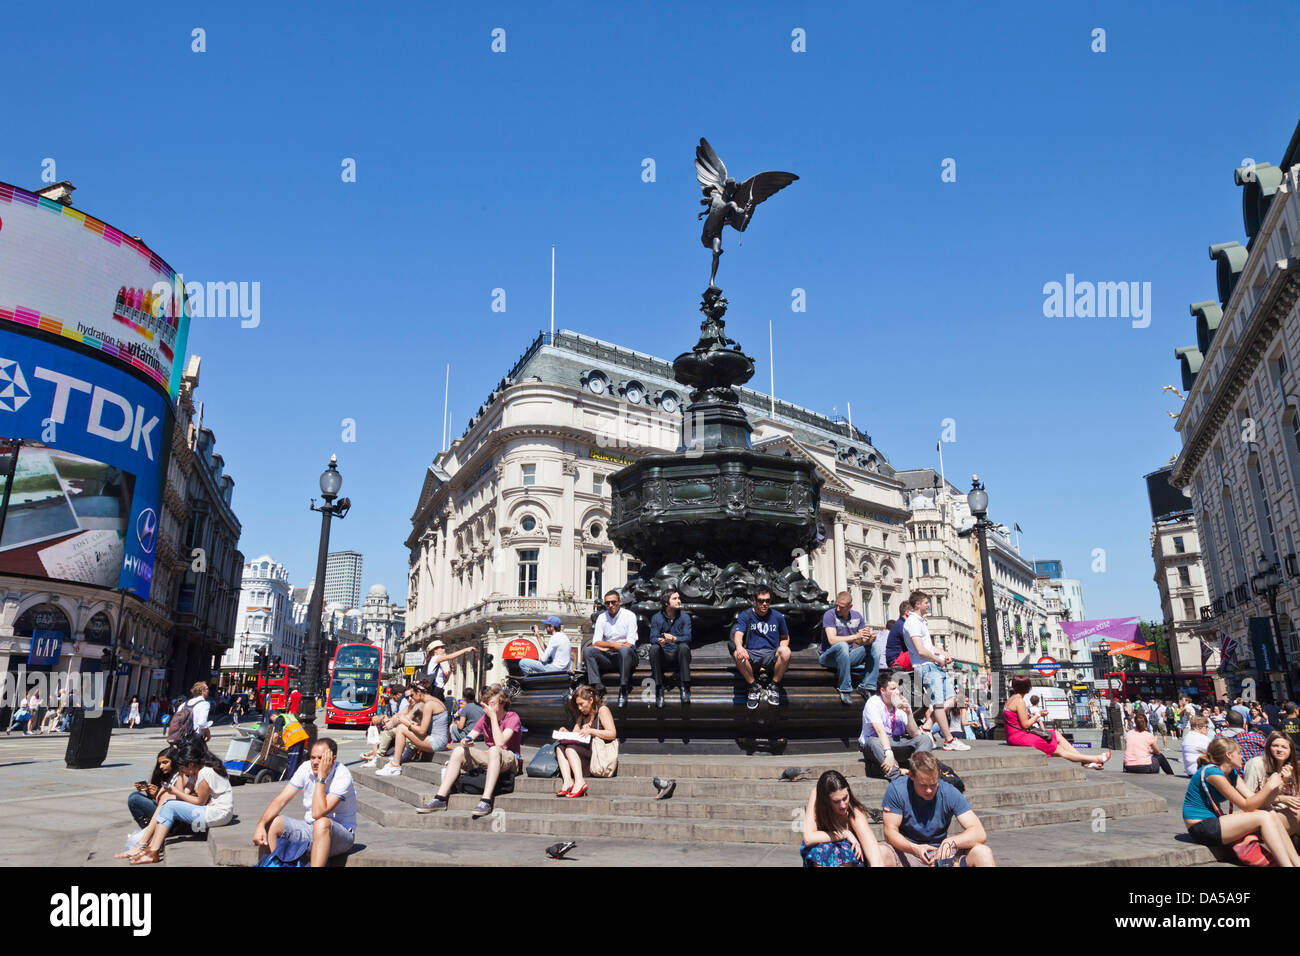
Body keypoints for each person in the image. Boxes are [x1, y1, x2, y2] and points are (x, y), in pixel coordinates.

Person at [1182, 736, 1300, 866]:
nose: (1242, 757)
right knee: (1263, 816)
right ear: (1229, 755)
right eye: (1239, 753)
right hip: (1201, 827)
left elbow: (1255, 800)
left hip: (1214, 821)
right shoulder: (1212, 773)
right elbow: (1246, 805)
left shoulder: (1231, 773)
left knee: (1269, 812)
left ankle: (1296, 862)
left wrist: (1280, 782)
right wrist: (1269, 786)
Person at [419, 684, 521, 817]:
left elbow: (500, 742)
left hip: (511, 758)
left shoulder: (512, 717)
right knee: (458, 751)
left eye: (492, 704)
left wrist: (494, 718)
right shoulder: (485, 719)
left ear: (502, 703)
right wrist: (465, 742)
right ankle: (440, 798)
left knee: (495, 750)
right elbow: (470, 736)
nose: (487, 708)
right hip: (491, 755)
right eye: (486, 704)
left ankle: (486, 800)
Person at [127, 738, 233, 864]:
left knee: (169, 806)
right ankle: (151, 849)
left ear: (191, 765)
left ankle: (152, 849)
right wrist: (168, 792)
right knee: (168, 803)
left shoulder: (205, 772)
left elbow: (199, 801)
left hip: (218, 814)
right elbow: (186, 793)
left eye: (182, 769)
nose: (181, 772)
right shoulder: (196, 771)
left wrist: (174, 792)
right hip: (209, 811)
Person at [253, 737, 357, 866]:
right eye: (312, 757)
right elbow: (281, 800)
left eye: (320, 758)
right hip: (311, 829)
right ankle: (266, 864)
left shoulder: (342, 775)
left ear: (332, 759)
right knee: (273, 822)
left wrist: (321, 777)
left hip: (341, 836)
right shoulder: (305, 768)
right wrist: (261, 824)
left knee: (322, 822)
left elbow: (318, 813)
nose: (315, 762)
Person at [880, 750, 995, 866]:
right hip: (908, 851)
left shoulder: (949, 791)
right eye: (923, 785)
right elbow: (890, 832)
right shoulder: (897, 790)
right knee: (880, 853)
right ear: (911, 776)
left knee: (983, 852)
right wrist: (915, 848)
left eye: (933, 784)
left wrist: (950, 842)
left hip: (941, 851)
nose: (929, 790)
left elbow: (979, 833)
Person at [903, 591, 968, 751]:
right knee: (938, 704)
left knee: (954, 698)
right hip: (926, 666)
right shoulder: (912, 622)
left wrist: (942, 653)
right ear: (917, 604)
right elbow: (920, 650)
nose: (929, 604)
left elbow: (928, 647)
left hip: (932, 665)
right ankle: (949, 739)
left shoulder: (921, 621)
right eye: (926, 602)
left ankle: (926, 727)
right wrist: (937, 659)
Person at [1005, 675, 1108, 769]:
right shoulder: (1020, 701)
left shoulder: (1011, 699)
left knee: (1056, 734)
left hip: (1014, 735)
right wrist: (1038, 715)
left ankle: (1085, 761)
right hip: (1019, 737)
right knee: (1058, 749)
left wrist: (1034, 715)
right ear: (1027, 688)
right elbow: (1025, 724)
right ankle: (1095, 758)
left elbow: (1016, 719)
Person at [801, 769, 888, 867]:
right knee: (821, 851)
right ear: (825, 800)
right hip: (821, 858)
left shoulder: (854, 813)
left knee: (842, 851)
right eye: (836, 801)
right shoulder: (817, 795)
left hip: (850, 861)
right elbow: (808, 838)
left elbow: (875, 859)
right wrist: (845, 833)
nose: (843, 805)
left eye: (845, 798)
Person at [859, 679, 932, 780]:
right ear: (882, 691)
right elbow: (880, 731)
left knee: (925, 739)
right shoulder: (873, 703)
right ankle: (897, 775)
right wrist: (888, 753)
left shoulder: (901, 702)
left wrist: (909, 713)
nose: (897, 692)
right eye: (893, 689)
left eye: (898, 688)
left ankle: (919, 772)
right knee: (873, 741)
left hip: (897, 742)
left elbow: (915, 734)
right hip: (879, 745)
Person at [553, 684, 617, 798]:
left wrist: (592, 731)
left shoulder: (603, 711)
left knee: (570, 749)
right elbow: (575, 735)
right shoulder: (581, 716)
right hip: (583, 751)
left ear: (591, 700)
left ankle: (580, 781)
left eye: (582, 704)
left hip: (597, 755)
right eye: (578, 705)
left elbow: (612, 734)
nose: (580, 708)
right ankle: (568, 781)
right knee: (560, 747)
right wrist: (565, 733)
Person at [375, 679, 449, 776]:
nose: (411, 698)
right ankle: (395, 762)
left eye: (412, 695)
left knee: (401, 728)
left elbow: (422, 731)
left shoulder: (429, 705)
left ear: (419, 692)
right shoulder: (435, 701)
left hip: (436, 742)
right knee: (402, 727)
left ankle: (395, 765)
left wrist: (407, 722)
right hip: (441, 740)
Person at [732, 587, 790, 709]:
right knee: (738, 654)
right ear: (754, 600)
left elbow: (785, 637)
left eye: (767, 601)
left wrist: (782, 648)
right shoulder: (746, 615)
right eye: (761, 600)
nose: (764, 604)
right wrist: (739, 647)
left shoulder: (777, 616)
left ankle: (774, 686)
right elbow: (738, 634)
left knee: (786, 651)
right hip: (752, 653)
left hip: (771, 654)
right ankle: (753, 686)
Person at [820, 590, 879, 706]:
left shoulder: (857, 617)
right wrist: (856, 636)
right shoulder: (829, 615)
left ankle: (867, 686)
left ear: (850, 606)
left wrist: (869, 639)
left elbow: (860, 640)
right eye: (836, 605)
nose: (837, 609)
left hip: (847, 657)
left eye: (841, 607)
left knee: (874, 647)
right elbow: (832, 640)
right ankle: (845, 689)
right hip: (828, 658)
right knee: (842, 645)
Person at [583, 590, 639, 708]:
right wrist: (614, 645)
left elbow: (630, 643)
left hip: (627, 657)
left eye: (613, 602)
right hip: (610, 657)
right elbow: (595, 642)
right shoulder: (601, 617)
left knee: (624, 650)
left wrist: (606, 645)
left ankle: (623, 688)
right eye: (607, 603)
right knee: (588, 651)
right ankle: (596, 685)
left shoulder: (630, 616)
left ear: (619, 602)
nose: (610, 606)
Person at [1243, 731, 1300, 835]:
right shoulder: (1256, 764)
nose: (1279, 750)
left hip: (1284, 811)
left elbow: (1296, 796)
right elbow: (1249, 800)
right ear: (1268, 747)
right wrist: (1281, 797)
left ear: (1290, 750)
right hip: (1262, 814)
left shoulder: (1293, 767)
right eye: (1275, 746)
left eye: (1284, 747)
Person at [648, 590, 693, 706]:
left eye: (679, 598)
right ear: (666, 603)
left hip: (679, 656)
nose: (679, 601)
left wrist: (674, 639)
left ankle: (684, 687)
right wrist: (659, 640)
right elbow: (652, 638)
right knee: (653, 648)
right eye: (675, 598)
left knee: (684, 647)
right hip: (664, 655)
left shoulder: (685, 617)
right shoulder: (656, 618)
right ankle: (659, 688)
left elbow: (688, 637)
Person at [127, 746, 188, 828]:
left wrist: (157, 795)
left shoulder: (180, 776)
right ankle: (149, 827)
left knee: (134, 799)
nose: (161, 766)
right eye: (160, 763)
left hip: (173, 817)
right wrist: (149, 791)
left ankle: (149, 828)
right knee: (134, 795)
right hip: (164, 809)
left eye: (165, 762)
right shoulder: (167, 775)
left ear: (174, 761)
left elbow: (175, 800)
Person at [883, 600, 913, 668]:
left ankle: (918, 678)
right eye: (914, 612)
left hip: (898, 658)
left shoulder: (902, 624)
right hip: (896, 661)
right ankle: (918, 678)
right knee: (919, 654)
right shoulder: (902, 625)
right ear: (907, 612)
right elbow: (914, 644)